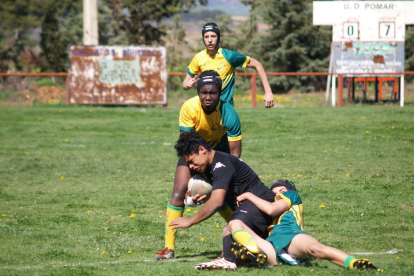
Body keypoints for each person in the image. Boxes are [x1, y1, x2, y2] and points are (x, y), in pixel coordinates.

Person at [155, 70, 243, 261]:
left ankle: (243, 234)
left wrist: (226, 177)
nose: (208, 97)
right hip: (193, 152)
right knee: (178, 193)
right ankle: (168, 248)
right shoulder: (189, 107)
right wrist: (197, 175)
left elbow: (235, 153)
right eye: (204, 92)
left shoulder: (229, 113)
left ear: (220, 93)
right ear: (198, 92)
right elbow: (186, 145)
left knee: (220, 197)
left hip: (220, 153)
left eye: (213, 93)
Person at [168, 130, 276, 270]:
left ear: (202, 150)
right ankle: (240, 255)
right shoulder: (208, 167)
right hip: (249, 209)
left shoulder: (221, 164)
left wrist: (190, 221)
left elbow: (217, 202)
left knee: (231, 227)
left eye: (191, 161)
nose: (191, 167)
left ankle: (228, 260)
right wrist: (192, 201)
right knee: (235, 232)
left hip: (261, 203)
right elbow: (212, 197)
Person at [224, 180, 382, 271]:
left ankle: (355, 264)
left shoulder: (291, 195)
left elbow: (271, 209)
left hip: (291, 237)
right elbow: (238, 219)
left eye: (281, 190)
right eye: (273, 192)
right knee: (235, 223)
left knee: (316, 249)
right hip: (273, 248)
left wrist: (249, 195)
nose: (277, 194)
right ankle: (252, 251)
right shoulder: (266, 206)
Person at [182, 22, 275, 108]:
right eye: (206, 37)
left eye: (213, 36)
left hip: (225, 108)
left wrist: (268, 92)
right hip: (206, 110)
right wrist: (188, 85)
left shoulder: (229, 56)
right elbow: (185, 85)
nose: (210, 40)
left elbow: (257, 64)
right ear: (203, 39)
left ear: (218, 37)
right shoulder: (198, 58)